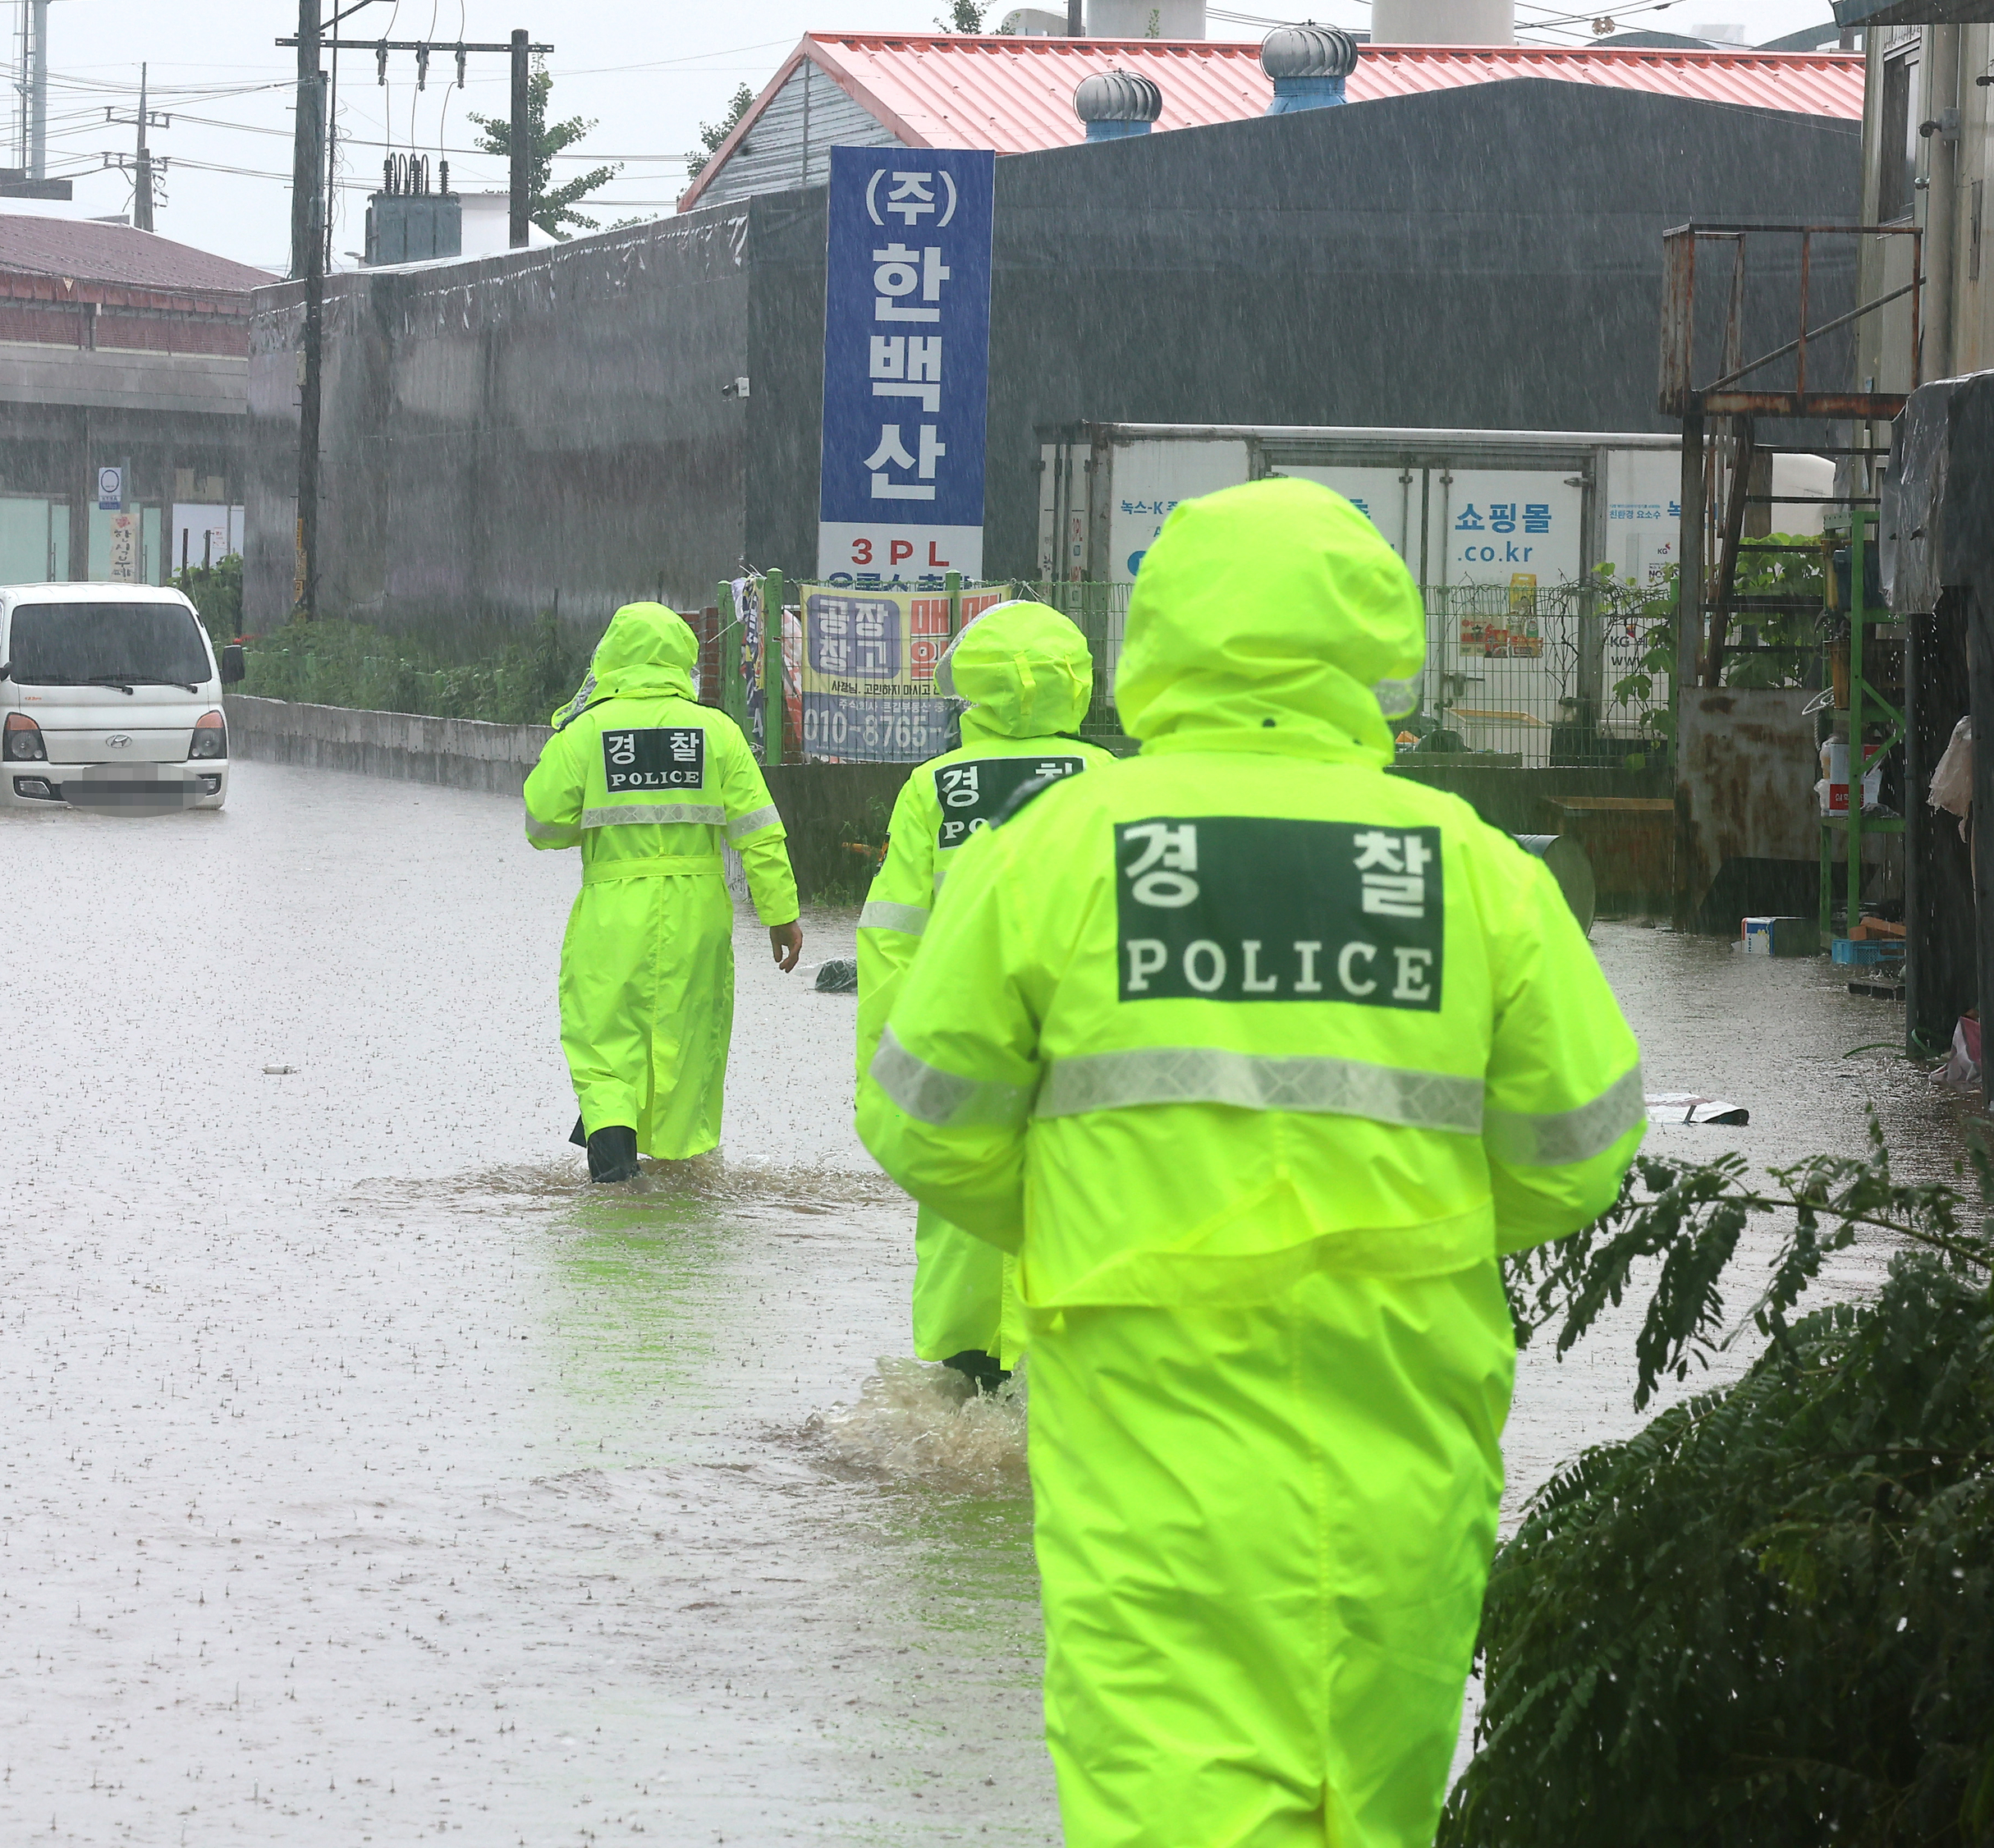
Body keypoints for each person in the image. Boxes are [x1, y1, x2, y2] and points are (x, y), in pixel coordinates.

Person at [873, 478, 1643, 1848]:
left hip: (1148, 1429)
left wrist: (1087, 1214)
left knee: (1171, 1791)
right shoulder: (1474, 868)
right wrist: (1412, 1233)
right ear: (1376, 642)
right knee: (1373, 1801)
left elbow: (928, 1117)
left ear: (1156, 637)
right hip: (1408, 1425)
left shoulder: (1056, 855)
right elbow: (1580, 1149)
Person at [851, 598, 1112, 1392]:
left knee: (965, 1214)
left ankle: (970, 1380)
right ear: (1077, 683)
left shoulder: (934, 789)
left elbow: (891, 938)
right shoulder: (1116, 783)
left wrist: (887, 1075)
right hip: (1083, 1047)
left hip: (963, 1038)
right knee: (1079, 1217)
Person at [525, 603, 802, 1183]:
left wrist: (573, 735)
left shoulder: (588, 732)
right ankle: (680, 1181)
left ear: (610, 657)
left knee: (604, 1043)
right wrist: (781, 915)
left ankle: (614, 1178)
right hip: (696, 912)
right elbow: (760, 833)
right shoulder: (718, 731)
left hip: (612, 911)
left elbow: (542, 825)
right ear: (683, 658)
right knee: (688, 1040)